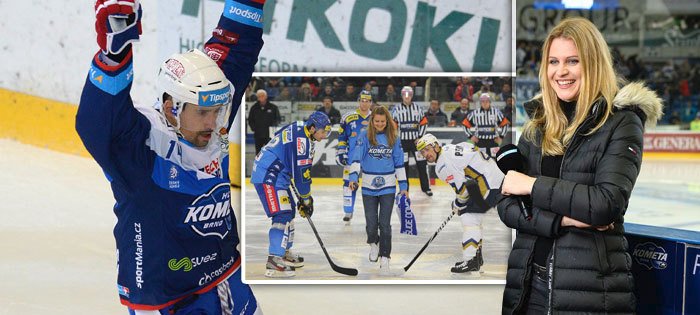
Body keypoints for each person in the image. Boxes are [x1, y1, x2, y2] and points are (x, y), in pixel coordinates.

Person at [75, 0, 264, 313]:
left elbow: (234, 42)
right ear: (170, 108)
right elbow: (97, 125)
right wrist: (113, 58)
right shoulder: (139, 146)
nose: (214, 123)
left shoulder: (210, 103)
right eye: (204, 113)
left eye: (218, 112)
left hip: (224, 276)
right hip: (162, 298)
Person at [498, 17, 662, 314]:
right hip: (526, 286)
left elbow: (604, 204)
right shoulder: (538, 124)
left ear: (593, 63)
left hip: (589, 291)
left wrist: (531, 185)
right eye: (553, 61)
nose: (561, 72)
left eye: (573, 61)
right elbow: (507, 206)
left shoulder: (622, 122)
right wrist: (565, 220)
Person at [250, 111, 331, 278]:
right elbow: (302, 175)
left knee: (290, 210)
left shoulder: (300, 126)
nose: (324, 136)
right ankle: (274, 258)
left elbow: (280, 139)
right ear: (314, 128)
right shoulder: (303, 142)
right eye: (323, 132)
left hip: (277, 173)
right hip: (269, 175)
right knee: (282, 214)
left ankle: (284, 251)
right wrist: (306, 199)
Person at [416, 134, 503, 273]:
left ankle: (470, 260)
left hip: (487, 182)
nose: (426, 154)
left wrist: (457, 204)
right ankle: (476, 257)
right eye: (422, 152)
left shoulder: (442, 164)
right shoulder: (449, 149)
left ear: (436, 146)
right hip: (490, 177)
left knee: (469, 218)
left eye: (427, 149)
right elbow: (470, 149)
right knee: (471, 217)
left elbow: (462, 190)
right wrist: (459, 202)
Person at [348, 106, 407, 274]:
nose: (380, 124)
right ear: (372, 121)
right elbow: (356, 158)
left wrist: (403, 186)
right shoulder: (364, 136)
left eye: (383, 121)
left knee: (385, 224)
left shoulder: (394, 137)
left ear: (387, 121)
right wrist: (353, 177)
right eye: (377, 121)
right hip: (368, 187)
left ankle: (385, 257)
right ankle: (373, 243)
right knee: (372, 224)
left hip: (388, 186)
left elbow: (399, 163)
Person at [336, 90, 373, 222]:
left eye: (367, 100)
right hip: (352, 157)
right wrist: (341, 151)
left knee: (372, 185)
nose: (364, 103)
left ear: (371, 102)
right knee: (348, 184)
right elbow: (342, 136)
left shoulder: (376, 118)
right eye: (362, 100)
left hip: (371, 158)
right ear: (359, 101)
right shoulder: (348, 117)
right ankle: (348, 211)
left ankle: (372, 214)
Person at [391, 86, 432, 196]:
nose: (407, 97)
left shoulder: (418, 109)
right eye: (405, 94)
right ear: (402, 95)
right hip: (402, 143)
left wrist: (420, 137)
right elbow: (393, 126)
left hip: (416, 142)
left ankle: (426, 188)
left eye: (409, 94)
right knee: (403, 167)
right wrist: (396, 138)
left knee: (422, 164)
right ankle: (405, 189)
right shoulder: (396, 109)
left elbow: (424, 123)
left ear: (412, 95)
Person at [248, 89, 281, 155]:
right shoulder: (254, 108)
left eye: (262, 96)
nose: (261, 97)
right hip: (258, 134)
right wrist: (254, 128)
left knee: (270, 151)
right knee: (258, 152)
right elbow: (250, 119)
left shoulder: (273, 107)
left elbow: (278, 119)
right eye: (259, 96)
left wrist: (273, 128)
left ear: (266, 96)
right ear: (257, 97)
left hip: (269, 134)